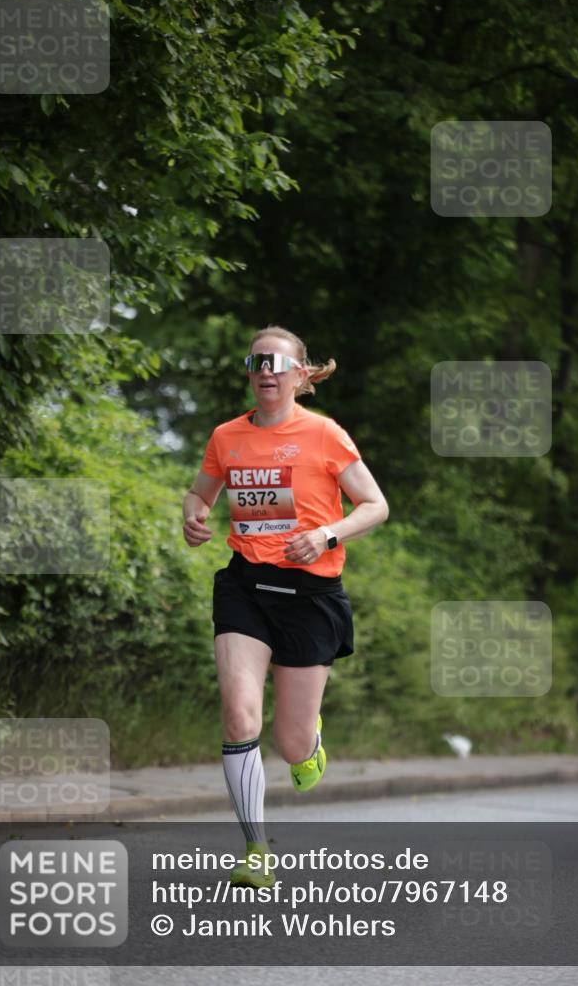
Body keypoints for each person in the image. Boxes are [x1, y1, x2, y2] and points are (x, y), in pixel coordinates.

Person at [182, 325, 389, 886]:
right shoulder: (227, 437)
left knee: (290, 742)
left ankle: (308, 745)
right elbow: (202, 491)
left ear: (300, 374)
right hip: (245, 587)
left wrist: (327, 536)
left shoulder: (325, 435)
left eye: (278, 362)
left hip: (309, 595)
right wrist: (194, 514)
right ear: (250, 373)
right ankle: (255, 851)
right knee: (238, 712)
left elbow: (375, 506)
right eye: (257, 361)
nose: (266, 370)